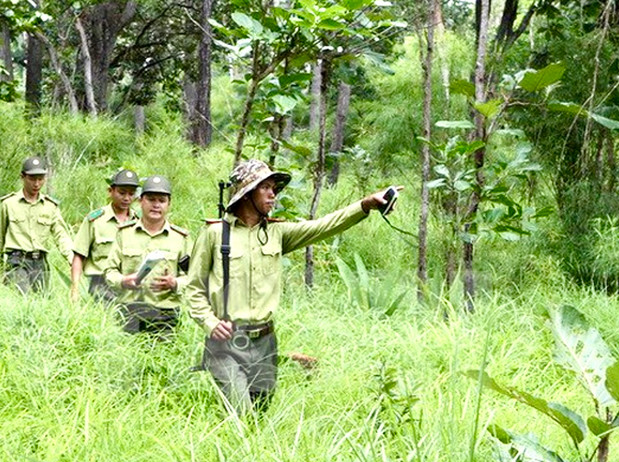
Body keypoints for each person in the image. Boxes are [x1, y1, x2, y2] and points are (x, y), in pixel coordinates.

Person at [185, 159, 403, 414]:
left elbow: (322, 227)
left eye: (274, 188)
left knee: (259, 414)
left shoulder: (277, 233)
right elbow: (194, 288)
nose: (272, 194)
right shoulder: (214, 235)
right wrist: (210, 322)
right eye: (265, 187)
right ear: (246, 194)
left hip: (265, 343)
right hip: (225, 345)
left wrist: (364, 205)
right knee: (241, 413)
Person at [105, 175, 191, 335]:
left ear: (169, 204)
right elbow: (110, 272)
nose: (156, 205)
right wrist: (123, 281)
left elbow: (193, 278)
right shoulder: (124, 234)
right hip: (129, 311)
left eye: (161, 200)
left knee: (166, 351)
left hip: (166, 313)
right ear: (140, 201)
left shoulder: (180, 238)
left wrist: (174, 283)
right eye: (151, 199)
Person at [0, 156, 74, 294]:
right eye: (32, 179)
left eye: (40, 179)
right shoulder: (8, 204)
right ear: (22, 177)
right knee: (21, 297)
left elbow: (61, 235)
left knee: (42, 301)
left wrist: (72, 259)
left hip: (40, 263)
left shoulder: (50, 206)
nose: (36, 184)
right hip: (17, 262)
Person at [70, 169, 139, 303]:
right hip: (101, 284)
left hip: (130, 283)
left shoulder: (139, 222)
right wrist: (75, 289)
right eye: (122, 193)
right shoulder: (95, 220)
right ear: (110, 191)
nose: (127, 198)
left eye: (131, 194)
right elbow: (79, 255)